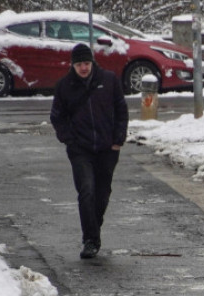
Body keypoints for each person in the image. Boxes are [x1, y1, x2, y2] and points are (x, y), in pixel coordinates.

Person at [50, 43, 128, 260]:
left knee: (102, 194)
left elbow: (121, 110)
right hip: (80, 150)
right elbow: (57, 117)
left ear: (92, 62)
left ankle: (93, 227)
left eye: (86, 63)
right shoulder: (65, 86)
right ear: (72, 65)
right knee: (86, 190)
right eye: (78, 64)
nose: (83, 68)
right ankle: (90, 240)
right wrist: (69, 141)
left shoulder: (109, 80)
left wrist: (118, 140)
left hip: (107, 148)